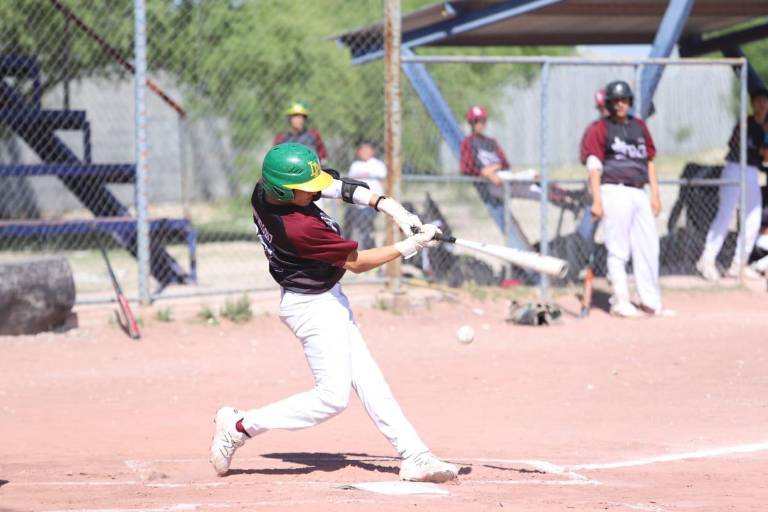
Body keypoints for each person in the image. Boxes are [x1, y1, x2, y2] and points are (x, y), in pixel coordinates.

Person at [209, 142, 458, 484]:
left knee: (371, 381)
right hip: (310, 307)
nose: (316, 192)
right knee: (332, 398)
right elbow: (357, 263)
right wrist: (411, 245)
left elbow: (337, 187)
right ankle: (239, 426)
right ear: (283, 191)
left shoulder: (266, 190)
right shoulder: (299, 228)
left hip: (326, 296)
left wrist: (393, 209)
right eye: (307, 189)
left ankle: (415, 455)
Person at [580, 80, 665, 318]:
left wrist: (655, 195)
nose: (621, 104)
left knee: (649, 246)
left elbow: (649, 162)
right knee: (618, 248)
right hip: (613, 190)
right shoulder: (600, 129)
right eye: (616, 101)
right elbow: (594, 167)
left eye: (624, 100)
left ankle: (650, 300)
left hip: (639, 191)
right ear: (608, 103)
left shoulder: (639, 126)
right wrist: (597, 200)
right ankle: (620, 300)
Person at [695, 87, 768, 281]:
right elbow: (736, 144)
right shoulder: (746, 123)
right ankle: (707, 259)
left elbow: (765, 157)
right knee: (726, 214)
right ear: (753, 104)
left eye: (765, 101)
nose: (762, 105)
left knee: (753, 216)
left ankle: (739, 265)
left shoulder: (766, 127)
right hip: (735, 168)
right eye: (758, 101)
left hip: (752, 172)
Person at [343, 142, 387, 250]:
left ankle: (371, 254)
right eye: (362, 150)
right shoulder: (355, 165)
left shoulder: (378, 165)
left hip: (372, 203)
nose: (364, 152)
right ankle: (346, 250)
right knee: (347, 224)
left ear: (372, 151)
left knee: (365, 227)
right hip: (356, 202)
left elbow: (384, 183)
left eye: (367, 150)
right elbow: (349, 182)